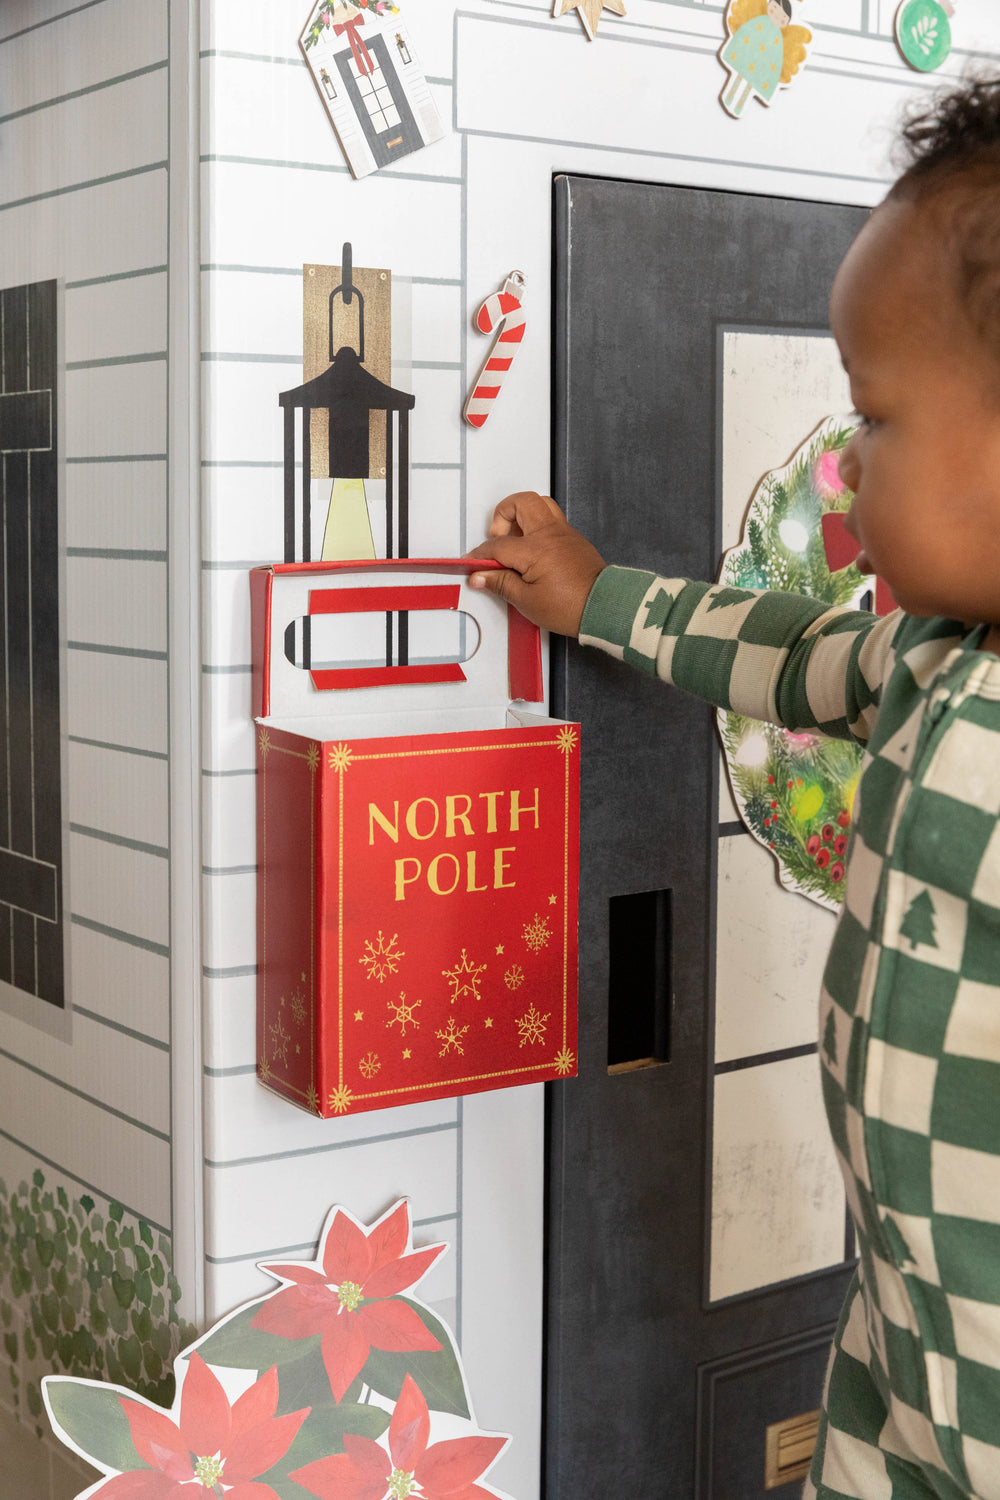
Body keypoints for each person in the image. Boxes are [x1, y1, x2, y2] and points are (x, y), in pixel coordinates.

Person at [467, 76, 1000, 1500]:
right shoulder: (942, 652)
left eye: (876, 424)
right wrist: (600, 598)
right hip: (904, 1345)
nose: (847, 480)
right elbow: (793, 649)